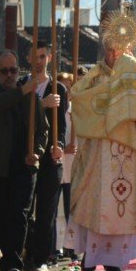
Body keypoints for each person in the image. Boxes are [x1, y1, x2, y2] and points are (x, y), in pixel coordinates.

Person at [65, 10, 136, 271]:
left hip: (128, 154)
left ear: (131, 47)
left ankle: (113, 261)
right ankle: (89, 253)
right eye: (111, 48)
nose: (115, 53)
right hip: (98, 153)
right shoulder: (95, 76)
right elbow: (79, 99)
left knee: (121, 206)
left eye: (121, 48)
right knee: (92, 202)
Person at [0, 50, 48, 271]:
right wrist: (21, 91)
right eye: (4, 71)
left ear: (19, 70)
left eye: (13, 70)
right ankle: (8, 261)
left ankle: (13, 264)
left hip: (24, 166)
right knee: (2, 217)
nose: (9, 75)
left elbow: (42, 130)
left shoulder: (31, 97)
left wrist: (37, 151)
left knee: (20, 215)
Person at [19, 41, 65, 271]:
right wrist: (40, 104)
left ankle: (42, 258)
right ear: (28, 58)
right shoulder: (22, 85)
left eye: (43, 56)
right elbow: (17, 114)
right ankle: (26, 253)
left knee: (46, 211)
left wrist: (60, 145)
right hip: (26, 156)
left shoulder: (58, 88)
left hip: (48, 158)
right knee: (25, 211)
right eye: (35, 56)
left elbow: (63, 127)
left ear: (49, 58)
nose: (39, 61)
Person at [56, 72, 77, 259]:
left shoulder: (75, 112)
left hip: (72, 168)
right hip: (56, 165)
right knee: (57, 210)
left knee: (70, 209)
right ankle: (55, 247)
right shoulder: (54, 111)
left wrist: (74, 146)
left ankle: (71, 246)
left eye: (68, 87)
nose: (66, 91)